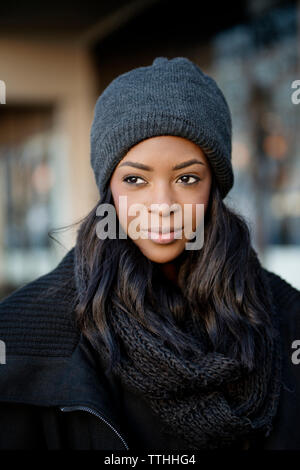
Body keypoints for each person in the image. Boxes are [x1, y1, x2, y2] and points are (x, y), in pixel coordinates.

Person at [0, 56, 299, 451]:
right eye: (135, 179)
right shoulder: (22, 334)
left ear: (214, 188)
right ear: (109, 188)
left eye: (187, 178)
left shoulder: (285, 317)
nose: (162, 204)